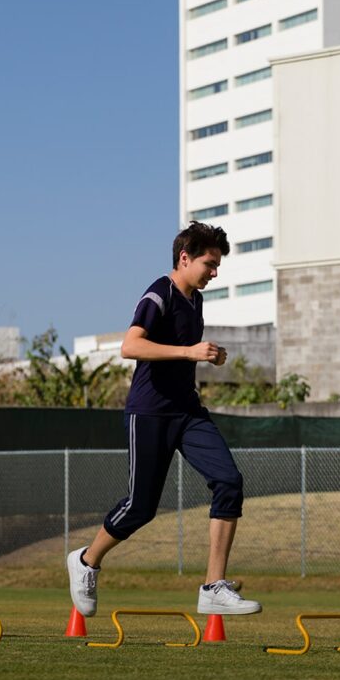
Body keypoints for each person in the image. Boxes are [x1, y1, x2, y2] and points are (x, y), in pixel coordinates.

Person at [67, 222, 261, 618]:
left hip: (188, 413)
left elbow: (183, 352)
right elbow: (130, 345)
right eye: (210, 263)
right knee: (140, 507)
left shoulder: (196, 302)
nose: (215, 272)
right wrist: (189, 353)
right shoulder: (160, 292)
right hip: (149, 413)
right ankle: (86, 561)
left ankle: (212, 587)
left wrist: (207, 355)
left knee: (229, 481)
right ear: (185, 258)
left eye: (218, 264)